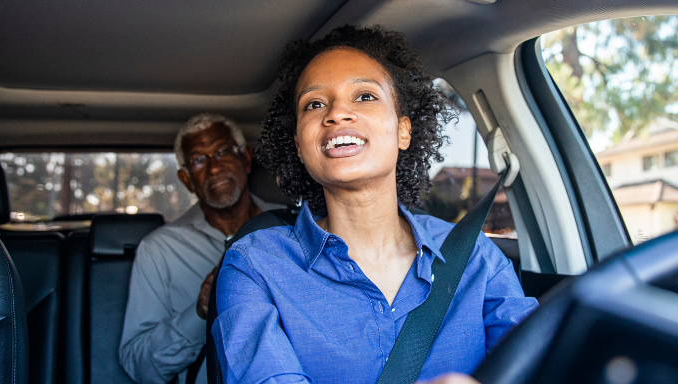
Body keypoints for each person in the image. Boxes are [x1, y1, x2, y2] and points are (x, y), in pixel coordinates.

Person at [212, 26, 538, 384]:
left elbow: (542, 367)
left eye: (365, 96)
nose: (337, 113)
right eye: (315, 104)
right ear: (299, 145)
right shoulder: (255, 265)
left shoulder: (475, 257)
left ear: (403, 130)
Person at [120, 113, 281, 384]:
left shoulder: (291, 227)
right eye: (198, 160)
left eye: (223, 151)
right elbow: (140, 367)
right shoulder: (159, 249)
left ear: (247, 158)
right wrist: (200, 313)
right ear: (186, 180)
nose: (214, 168)